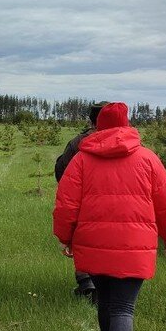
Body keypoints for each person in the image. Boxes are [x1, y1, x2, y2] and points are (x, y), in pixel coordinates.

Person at [53, 102, 166, 331]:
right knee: (124, 308)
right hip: (135, 248)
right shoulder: (148, 159)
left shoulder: (82, 160)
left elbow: (66, 203)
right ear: (126, 124)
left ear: (99, 126)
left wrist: (65, 236)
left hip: (93, 246)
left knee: (105, 302)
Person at [54, 101, 108, 301]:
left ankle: (87, 283)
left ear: (92, 119)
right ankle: (107, 283)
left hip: (86, 201)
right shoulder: (131, 142)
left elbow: (62, 171)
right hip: (121, 205)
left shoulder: (78, 142)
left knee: (85, 240)